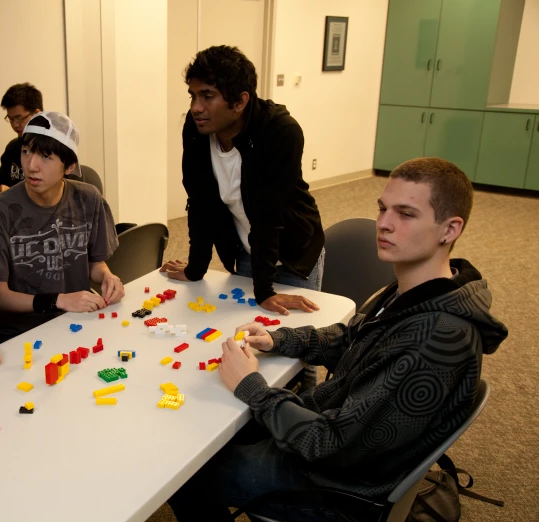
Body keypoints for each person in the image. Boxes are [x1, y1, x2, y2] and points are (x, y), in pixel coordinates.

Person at [167, 157, 508, 521]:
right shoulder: (424, 291)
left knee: (183, 472)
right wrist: (278, 338)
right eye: (382, 208)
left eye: (406, 214)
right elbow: (354, 336)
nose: (384, 224)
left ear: (449, 229)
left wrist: (251, 386)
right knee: (211, 428)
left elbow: (327, 445)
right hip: (333, 431)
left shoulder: (433, 341)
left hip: (333, 485)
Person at [160, 45, 325, 316]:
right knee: (245, 335)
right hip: (249, 247)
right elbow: (200, 202)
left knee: (293, 336)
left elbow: (268, 216)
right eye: (193, 96)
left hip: (292, 251)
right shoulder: (197, 128)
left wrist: (264, 291)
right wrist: (195, 268)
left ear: (240, 102)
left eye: (207, 96)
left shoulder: (281, 132)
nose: (196, 108)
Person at [0, 112, 123, 343]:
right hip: (20, 335)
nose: (31, 166)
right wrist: (58, 300)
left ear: (69, 165)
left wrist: (108, 277)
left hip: (76, 322)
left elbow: (94, 264)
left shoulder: (88, 199)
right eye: (26, 152)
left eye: (46, 156)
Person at [0, 83, 43, 193]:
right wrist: (2, 187)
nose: (15, 125)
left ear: (36, 114)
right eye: (11, 119)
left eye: (19, 118)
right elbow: (1, 181)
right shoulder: (12, 148)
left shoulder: (54, 149)